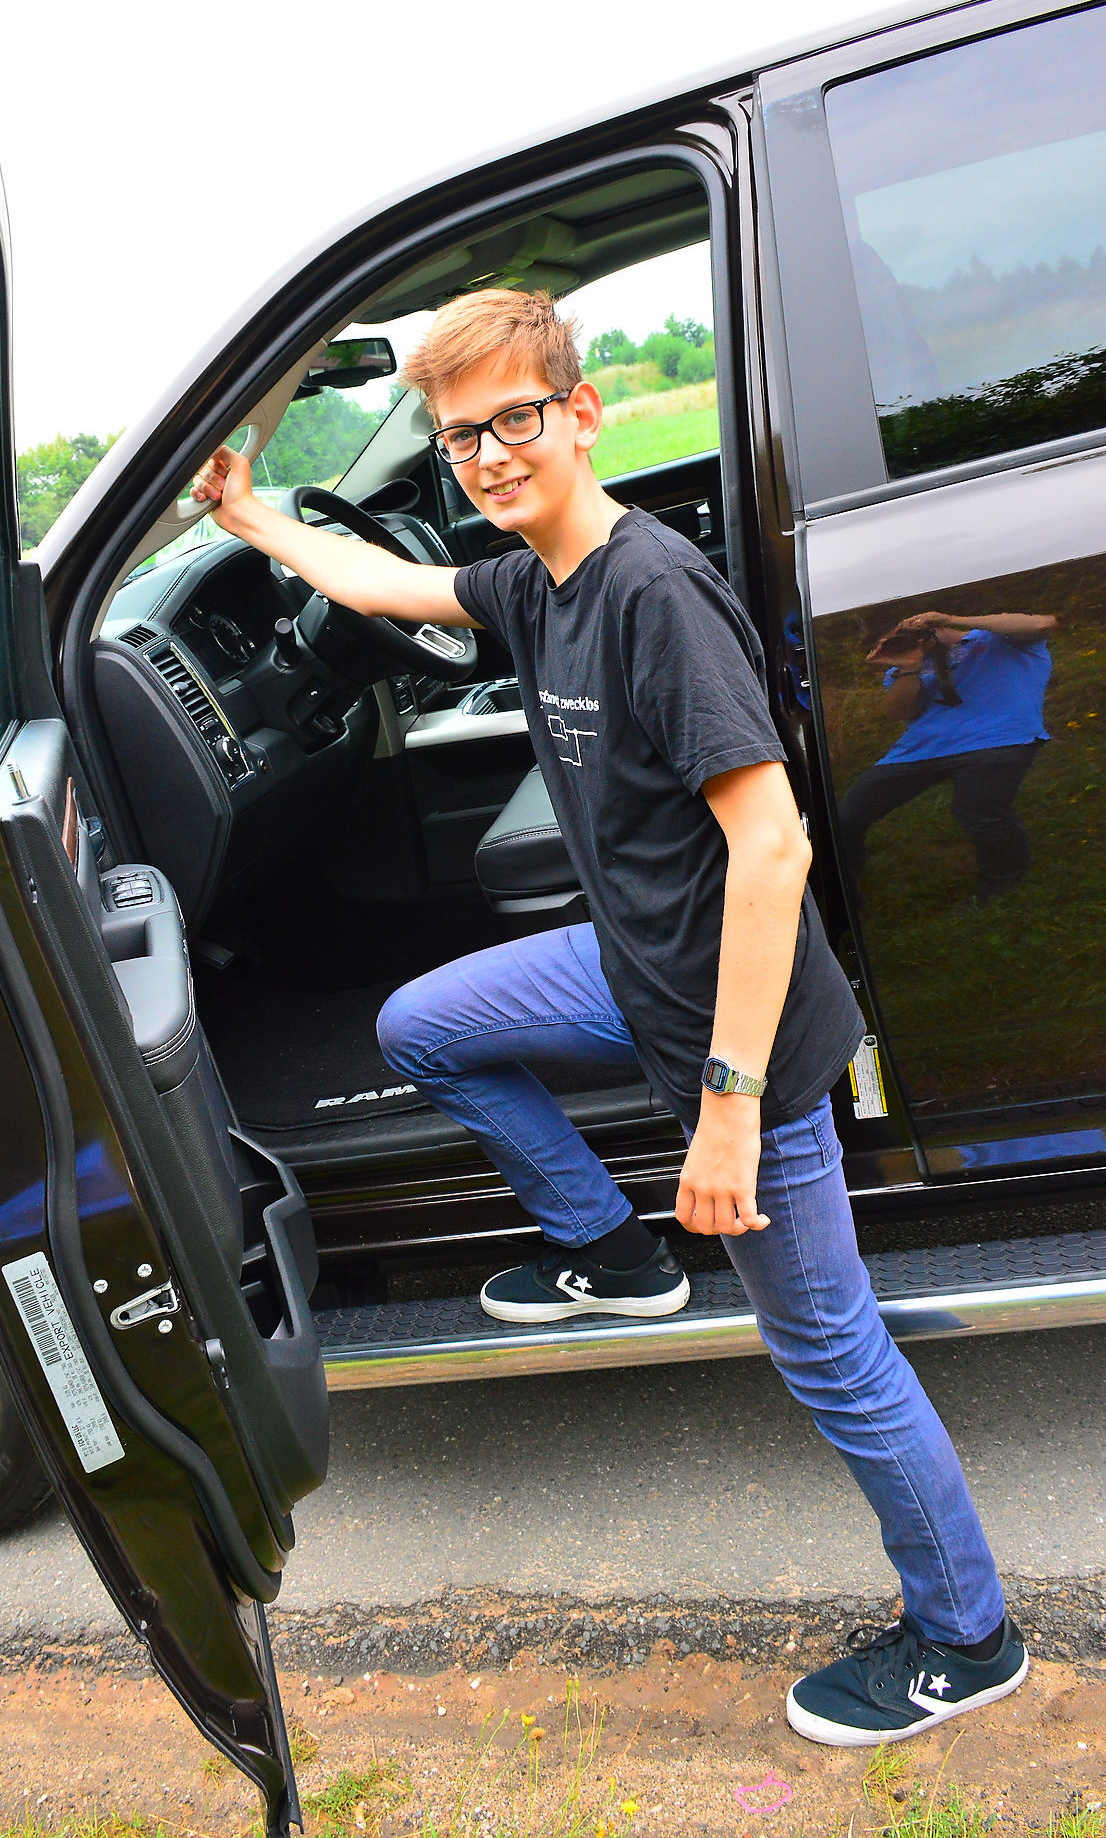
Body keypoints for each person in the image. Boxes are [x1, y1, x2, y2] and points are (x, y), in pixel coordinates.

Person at [191, 288, 1028, 1747]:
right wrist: (251, 516)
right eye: (460, 437)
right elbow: (387, 586)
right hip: (637, 966)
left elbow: (770, 849)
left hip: (738, 1027)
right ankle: (610, 1247)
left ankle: (968, 1633)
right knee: (423, 1024)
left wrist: (726, 1108)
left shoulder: (649, 592)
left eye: (515, 419)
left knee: (829, 1351)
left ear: (580, 413)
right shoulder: (537, 582)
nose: (488, 455)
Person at [838, 611, 1056, 905]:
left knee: (978, 811)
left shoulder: (995, 640)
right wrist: (909, 666)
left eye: (909, 633)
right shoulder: (906, 668)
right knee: (845, 817)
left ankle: (1003, 886)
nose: (909, 640)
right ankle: (846, 886)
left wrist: (952, 621)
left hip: (998, 737)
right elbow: (899, 712)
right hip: (920, 750)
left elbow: (1043, 623)